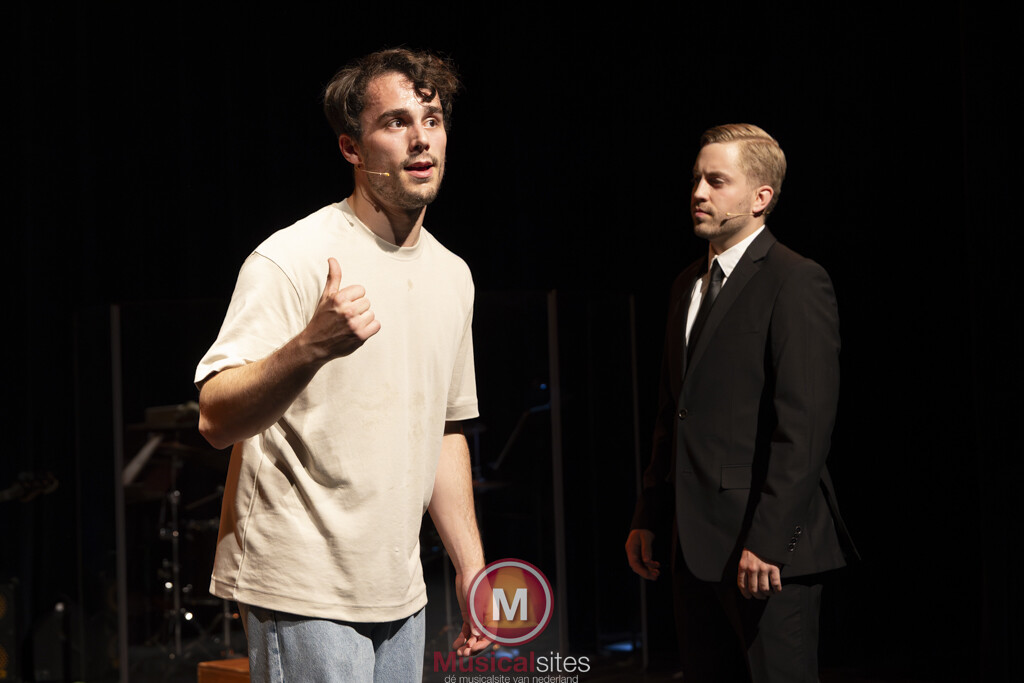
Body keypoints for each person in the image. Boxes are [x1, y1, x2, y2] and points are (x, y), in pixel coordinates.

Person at [195, 48, 489, 682]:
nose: (421, 139)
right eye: (395, 122)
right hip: (303, 583)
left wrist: (469, 565)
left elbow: (444, 429)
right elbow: (215, 419)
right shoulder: (292, 259)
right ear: (351, 148)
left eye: (433, 120)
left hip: (401, 587)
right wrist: (310, 346)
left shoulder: (453, 275)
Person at [625, 123, 858, 682]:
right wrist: (650, 513)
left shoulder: (796, 280)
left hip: (765, 552)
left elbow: (804, 427)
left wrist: (770, 542)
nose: (698, 193)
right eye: (696, 179)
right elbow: (673, 414)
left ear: (760, 197)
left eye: (716, 181)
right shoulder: (687, 284)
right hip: (692, 546)